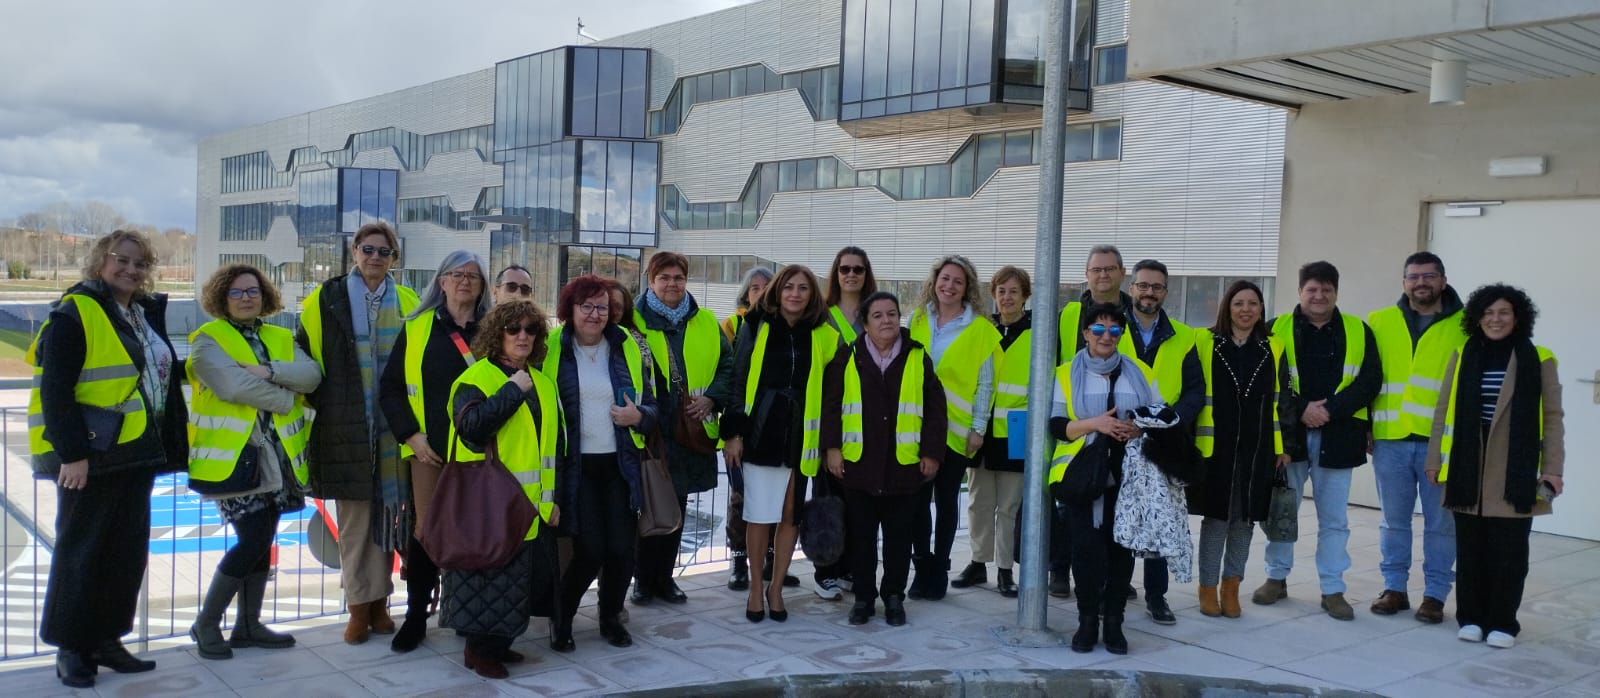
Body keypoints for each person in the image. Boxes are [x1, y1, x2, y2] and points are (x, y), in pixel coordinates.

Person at [28, 229, 187, 687]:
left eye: (140, 263)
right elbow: (55, 388)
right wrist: (72, 455)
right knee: (82, 552)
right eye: (122, 260)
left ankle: (108, 639)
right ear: (101, 261)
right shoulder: (76, 310)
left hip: (136, 450)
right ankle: (72, 646)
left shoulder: (138, 311)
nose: (131, 270)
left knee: (124, 553)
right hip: (92, 456)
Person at [186, 264, 321, 661]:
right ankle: (207, 622)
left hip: (279, 457)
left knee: (264, 539)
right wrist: (284, 395)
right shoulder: (208, 340)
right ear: (221, 298)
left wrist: (268, 371)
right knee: (254, 538)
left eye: (253, 291)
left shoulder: (280, 336)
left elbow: (311, 376)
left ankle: (248, 624)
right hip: (235, 459)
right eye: (237, 292)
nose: (247, 298)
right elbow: (230, 385)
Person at [296, 222, 420, 644]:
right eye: (367, 249)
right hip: (346, 424)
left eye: (384, 252)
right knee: (353, 524)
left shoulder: (408, 301)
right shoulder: (323, 300)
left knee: (389, 517)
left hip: (392, 429)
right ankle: (358, 607)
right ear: (353, 251)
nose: (374, 257)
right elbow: (307, 359)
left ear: (393, 258)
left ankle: (381, 605)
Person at [1426, 284, 1564, 650]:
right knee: (1470, 550)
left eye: (1503, 312)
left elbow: (1552, 417)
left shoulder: (1540, 357)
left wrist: (1553, 468)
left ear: (1518, 317)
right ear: (1477, 318)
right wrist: (1433, 458)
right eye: (1488, 313)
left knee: (1509, 552)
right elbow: (1442, 411)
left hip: (1514, 471)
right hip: (1467, 469)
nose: (1495, 319)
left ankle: (1503, 622)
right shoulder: (1464, 353)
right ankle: (1470, 618)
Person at [378, 250, 492, 652]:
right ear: (440, 282)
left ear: (483, 287)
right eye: (456, 274)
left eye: (473, 276)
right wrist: (411, 436)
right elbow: (391, 389)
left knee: (476, 534)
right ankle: (415, 618)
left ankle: (464, 613)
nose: (465, 282)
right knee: (427, 536)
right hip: (431, 452)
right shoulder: (418, 328)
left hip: (482, 453)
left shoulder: (494, 330)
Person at [1255, 261, 1381, 620]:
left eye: (1326, 289)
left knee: (1335, 520)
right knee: (1282, 511)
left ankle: (1332, 588)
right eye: (1312, 288)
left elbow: (1370, 380)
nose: (1319, 295)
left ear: (1336, 292)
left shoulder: (1358, 330)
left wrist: (1330, 410)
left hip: (1338, 436)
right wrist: (1302, 409)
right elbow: (1265, 380)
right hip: (1289, 439)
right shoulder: (1275, 328)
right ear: (1299, 292)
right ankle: (1276, 578)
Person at [443, 300, 562, 679]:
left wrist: (551, 499)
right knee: (489, 579)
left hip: (530, 506)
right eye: (514, 329)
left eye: (531, 329)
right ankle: (481, 651)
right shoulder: (475, 379)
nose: (523, 336)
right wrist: (512, 391)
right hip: (489, 502)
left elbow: (551, 448)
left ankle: (498, 643)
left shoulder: (542, 382)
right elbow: (473, 428)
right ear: (498, 335)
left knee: (514, 585)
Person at [723, 265, 842, 622]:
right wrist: (733, 433)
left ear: (812, 295)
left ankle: (777, 587)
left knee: (790, 515)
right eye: (788, 287)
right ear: (777, 291)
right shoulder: (755, 325)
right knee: (759, 514)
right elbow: (739, 378)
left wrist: (829, 442)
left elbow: (834, 390)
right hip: (762, 428)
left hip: (802, 431)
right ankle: (756, 589)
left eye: (803, 288)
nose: (795, 294)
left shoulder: (824, 333)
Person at [545, 275, 657, 652]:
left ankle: (610, 617)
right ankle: (562, 620)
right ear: (570, 310)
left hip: (619, 465)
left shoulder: (625, 346)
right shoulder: (551, 350)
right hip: (575, 468)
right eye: (587, 306)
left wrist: (638, 416)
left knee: (622, 550)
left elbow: (655, 406)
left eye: (603, 307)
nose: (595, 315)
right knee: (589, 550)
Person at [822, 292, 946, 626]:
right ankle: (863, 598)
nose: (886, 320)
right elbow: (831, 406)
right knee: (861, 539)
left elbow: (936, 411)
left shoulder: (918, 357)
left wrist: (932, 453)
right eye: (877, 315)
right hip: (858, 466)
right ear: (864, 323)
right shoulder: (847, 357)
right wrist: (832, 448)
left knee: (898, 540)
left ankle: (893, 596)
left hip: (903, 468)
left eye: (892, 314)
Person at [1052, 303, 1157, 655]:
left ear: (1122, 335)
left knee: (1121, 552)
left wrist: (1137, 427)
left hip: (1128, 477)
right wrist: (1095, 424)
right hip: (1084, 478)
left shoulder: (1138, 371)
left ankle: (1114, 620)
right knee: (1086, 553)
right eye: (1098, 329)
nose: (1106, 336)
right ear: (1085, 334)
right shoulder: (1066, 373)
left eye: (1114, 330)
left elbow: (1158, 414)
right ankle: (1086, 620)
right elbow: (1056, 425)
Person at [1366, 252, 1466, 623]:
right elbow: (1368, 379)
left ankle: (1435, 595)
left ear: (1442, 279)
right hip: (1390, 439)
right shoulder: (1380, 321)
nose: (1420, 282)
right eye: (1413, 276)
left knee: (1441, 524)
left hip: (1439, 444)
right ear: (1403, 281)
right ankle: (1394, 588)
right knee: (1394, 521)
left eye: (1429, 276)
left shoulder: (1465, 324)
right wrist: (1367, 426)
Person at [632, 252, 735, 605]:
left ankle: (665, 578)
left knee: (677, 507)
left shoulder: (705, 320)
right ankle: (642, 579)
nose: (672, 284)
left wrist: (712, 400)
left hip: (689, 429)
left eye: (678, 277)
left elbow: (727, 367)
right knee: (647, 506)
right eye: (664, 278)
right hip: (648, 430)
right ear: (651, 281)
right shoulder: (632, 321)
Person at [1186, 281, 1288, 619]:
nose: (1246, 309)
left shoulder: (1273, 346)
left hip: (1257, 449)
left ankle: (1232, 587)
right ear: (1227, 307)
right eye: (1239, 303)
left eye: (1253, 304)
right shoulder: (1204, 342)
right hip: (1216, 447)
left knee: (1245, 521)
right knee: (1216, 520)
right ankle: (1207, 588)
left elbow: (1281, 402)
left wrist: (1283, 447)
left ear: (1261, 309)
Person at [1115, 259, 1204, 624]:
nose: (1149, 292)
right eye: (1143, 285)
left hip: (1162, 441)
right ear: (1131, 288)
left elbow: (1196, 390)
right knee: (1119, 515)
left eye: (1157, 287)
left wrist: (1167, 421)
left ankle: (1157, 596)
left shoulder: (1186, 336)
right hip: (1119, 435)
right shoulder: (1113, 328)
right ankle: (1118, 586)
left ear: (1165, 293)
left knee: (1160, 517)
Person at [907, 254, 1000, 601]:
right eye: (944, 278)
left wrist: (979, 428)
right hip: (914, 427)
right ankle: (921, 568)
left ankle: (939, 569)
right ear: (934, 281)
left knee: (946, 502)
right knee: (917, 502)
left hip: (957, 430)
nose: (948, 286)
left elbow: (986, 385)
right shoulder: (916, 319)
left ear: (967, 289)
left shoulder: (981, 330)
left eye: (957, 281)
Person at [1050, 245, 1135, 599]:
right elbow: (1055, 361)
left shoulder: (1136, 313)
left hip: (1120, 424)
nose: (1103, 275)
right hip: (1075, 424)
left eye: (1110, 268)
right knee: (1069, 504)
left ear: (1122, 272)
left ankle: (1112, 581)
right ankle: (1060, 569)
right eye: (1096, 269)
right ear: (1086, 274)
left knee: (1115, 512)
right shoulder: (1068, 314)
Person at [956, 265, 1031, 598]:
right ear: (993, 294)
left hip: (1015, 431)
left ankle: (1004, 569)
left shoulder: (1037, 331)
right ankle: (977, 561)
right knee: (978, 501)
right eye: (1001, 290)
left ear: (1025, 296)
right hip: (980, 428)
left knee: (1008, 505)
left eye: (1014, 291)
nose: (1007, 297)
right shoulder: (981, 329)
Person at [814, 247, 876, 599]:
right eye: (844, 269)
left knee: (860, 502)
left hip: (868, 423)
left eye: (858, 269)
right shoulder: (822, 315)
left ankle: (853, 567)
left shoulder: (875, 313)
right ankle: (826, 570)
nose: (851, 275)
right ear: (835, 274)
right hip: (829, 418)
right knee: (827, 499)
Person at [715, 266, 779, 592]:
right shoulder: (735, 325)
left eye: (767, 286)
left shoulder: (786, 324)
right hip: (742, 425)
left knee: (774, 498)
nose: (762, 292)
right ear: (746, 294)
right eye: (755, 288)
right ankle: (739, 561)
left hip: (776, 427)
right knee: (740, 495)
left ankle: (770, 560)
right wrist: (732, 432)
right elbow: (732, 376)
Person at [720, 266, 773, 343]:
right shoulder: (730, 324)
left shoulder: (784, 321)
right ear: (746, 296)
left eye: (767, 288)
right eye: (755, 288)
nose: (762, 293)